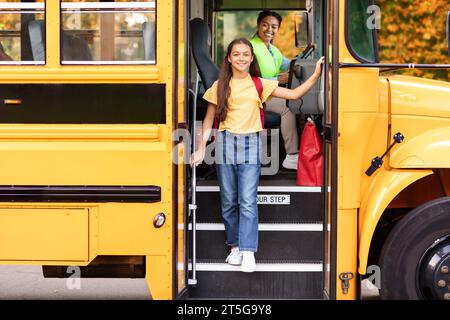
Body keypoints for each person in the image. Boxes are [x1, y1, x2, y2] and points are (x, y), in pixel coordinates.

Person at [190, 37, 324, 273]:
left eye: (245, 54)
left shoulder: (260, 84)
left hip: (251, 143)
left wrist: (315, 75)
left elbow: (293, 96)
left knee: (248, 201)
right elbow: (209, 119)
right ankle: (235, 248)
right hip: (224, 144)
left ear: (251, 58)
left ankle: (249, 251)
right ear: (229, 58)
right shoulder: (219, 86)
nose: (241, 58)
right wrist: (201, 148)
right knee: (229, 201)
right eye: (236, 54)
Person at [250, 10, 300, 170]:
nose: (269, 29)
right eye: (265, 25)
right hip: (256, 96)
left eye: (274, 26)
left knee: (299, 102)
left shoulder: (272, 49)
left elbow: (289, 65)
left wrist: (308, 60)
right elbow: (249, 78)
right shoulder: (250, 47)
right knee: (288, 108)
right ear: (258, 26)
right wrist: (278, 80)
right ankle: (292, 156)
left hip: (269, 92)